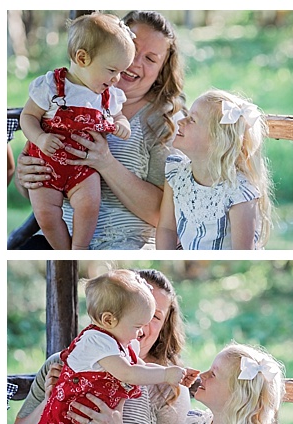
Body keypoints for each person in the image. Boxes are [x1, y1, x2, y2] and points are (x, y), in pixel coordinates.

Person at [11, 268, 191, 424]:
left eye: (155, 316)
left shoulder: (167, 385)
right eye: (137, 314)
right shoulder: (62, 365)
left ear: (165, 324)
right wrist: (50, 401)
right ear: (112, 315)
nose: (143, 327)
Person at [14, 11, 186, 249]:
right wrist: (26, 176)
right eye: (133, 48)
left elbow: (164, 216)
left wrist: (105, 162)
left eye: (150, 59)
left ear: (162, 70)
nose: (134, 62)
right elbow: (34, 189)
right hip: (62, 239)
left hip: (124, 245)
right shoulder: (65, 92)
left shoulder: (165, 120)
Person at [19, 13, 135, 250]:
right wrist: (40, 138)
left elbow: (118, 116)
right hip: (46, 165)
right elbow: (28, 117)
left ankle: (78, 248)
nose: (117, 79)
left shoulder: (107, 96)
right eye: (112, 70)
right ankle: (64, 251)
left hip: (82, 167)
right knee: (45, 212)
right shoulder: (52, 85)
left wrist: (123, 124)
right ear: (82, 58)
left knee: (89, 205)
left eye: (121, 72)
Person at [156, 90, 272, 250]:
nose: (181, 121)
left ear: (217, 140)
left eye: (192, 120)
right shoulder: (176, 174)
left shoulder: (239, 194)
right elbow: (167, 228)